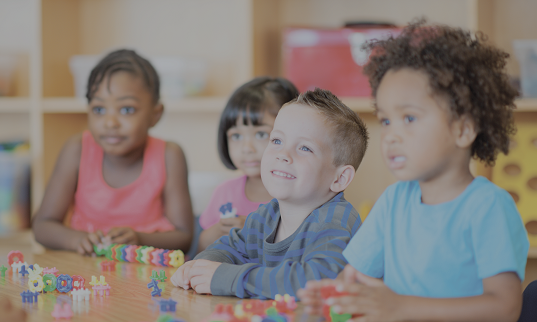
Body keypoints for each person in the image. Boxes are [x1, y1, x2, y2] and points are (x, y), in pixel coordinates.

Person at [298, 21, 529, 322]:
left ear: (464, 128)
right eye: (386, 121)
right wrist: (333, 298)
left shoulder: (488, 207)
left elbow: (504, 308)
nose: (391, 135)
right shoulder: (394, 200)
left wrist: (401, 308)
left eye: (409, 118)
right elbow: (354, 279)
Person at [171, 88, 369, 299]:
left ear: (339, 178)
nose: (283, 154)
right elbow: (226, 248)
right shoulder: (266, 216)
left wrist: (231, 278)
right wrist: (199, 268)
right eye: (276, 141)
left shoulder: (336, 221)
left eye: (304, 148)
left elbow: (318, 282)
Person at [32, 49, 193, 255]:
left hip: (146, 280)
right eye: (99, 109)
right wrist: (77, 240)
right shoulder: (77, 150)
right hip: (85, 277)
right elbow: (42, 226)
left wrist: (139, 239)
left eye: (126, 110)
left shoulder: (169, 156)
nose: (110, 123)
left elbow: (184, 237)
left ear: (155, 114)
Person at [197, 77, 299, 252]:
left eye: (260, 134)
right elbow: (200, 254)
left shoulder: (302, 196)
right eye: (236, 136)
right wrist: (213, 234)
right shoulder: (224, 193)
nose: (247, 148)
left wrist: (257, 231)